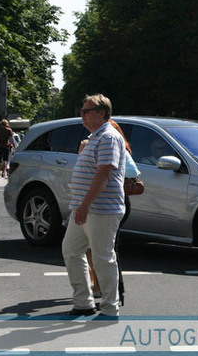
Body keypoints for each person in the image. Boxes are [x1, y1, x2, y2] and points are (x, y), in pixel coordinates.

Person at [61, 94, 126, 318]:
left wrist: (85, 204)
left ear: (102, 113)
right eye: (82, 110)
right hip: (84, 208)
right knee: (71, 250)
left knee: (102, 256)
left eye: (87, 111)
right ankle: (83, 302)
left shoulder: (108, 137)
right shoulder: (95, 137)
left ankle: (110, 307)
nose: (83, 114)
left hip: (101, 209)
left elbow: (104, 174)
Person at [84, 119, 140, 303]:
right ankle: (107, 290)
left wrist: (111, 170)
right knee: (103, 250)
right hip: (105, 203)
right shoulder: (98, 144)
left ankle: (114, 293)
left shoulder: (115, 146)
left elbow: (132, 171)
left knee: (107, 251)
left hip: (114, 202)